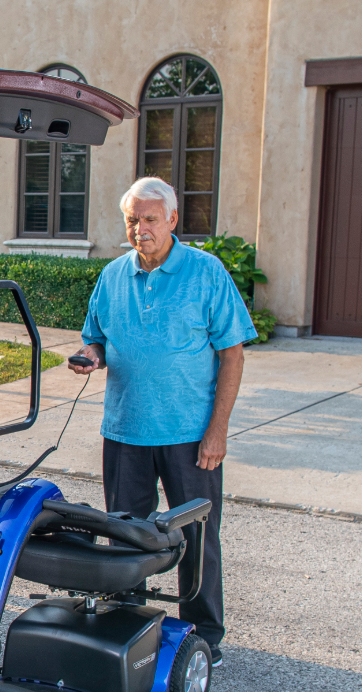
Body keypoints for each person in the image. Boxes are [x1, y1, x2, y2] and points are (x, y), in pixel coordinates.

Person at [68, 176, 254, 661]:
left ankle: (204, 637)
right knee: (125, 535)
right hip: (126, 431)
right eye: (133, 220)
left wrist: (217, 431)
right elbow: (97, 339)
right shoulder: (112, 276)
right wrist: (89, 355)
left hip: (190, 436)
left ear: (172, 219)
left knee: (197, 538)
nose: (140, 229)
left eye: (150, 219)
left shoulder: (206, 273)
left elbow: (232, 356)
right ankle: (128, 630)